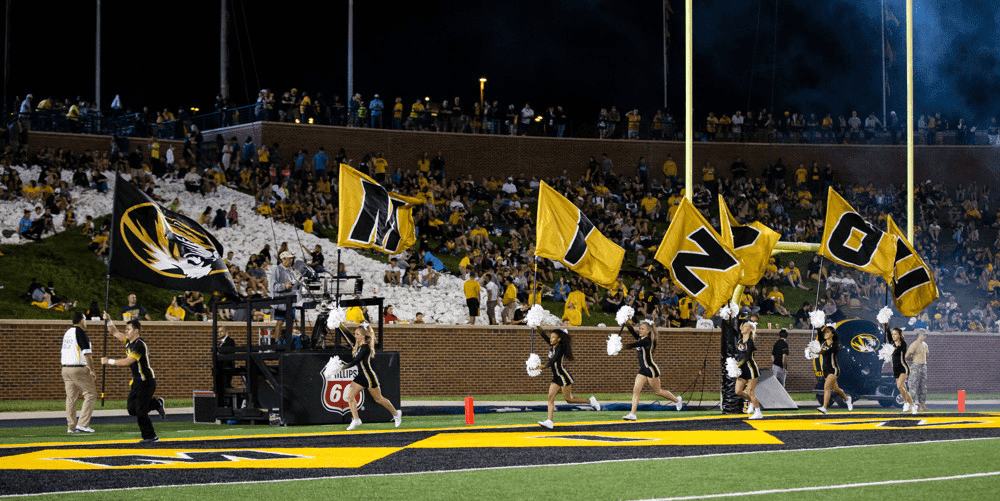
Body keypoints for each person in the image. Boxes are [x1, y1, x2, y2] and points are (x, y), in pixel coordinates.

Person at [100, 312, 166, 443]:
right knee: (131, 409)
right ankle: (156, 403)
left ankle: (150, 436)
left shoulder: (139, 345)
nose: (126, 332)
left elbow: (127, 362)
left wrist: (109, 361)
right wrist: (108, 319)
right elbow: (114, 332)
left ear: (136, 331)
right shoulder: (129, 342)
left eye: (128, 330)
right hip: (136, 382)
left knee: (141, 411)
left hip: (146, 382)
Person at [340, 324, 402, 431]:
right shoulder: (357, 343)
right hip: (360, 377)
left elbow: (355, 361)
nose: (355, 336)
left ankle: (396, 414)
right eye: (355, 334)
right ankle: (356, 420)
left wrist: (341, 367)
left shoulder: (365, 348)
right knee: (349, 397)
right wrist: (339, 323)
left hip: (368, 377)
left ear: (363, 336)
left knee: (379, 399)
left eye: (358, 334)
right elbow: (348, 334)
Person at [536, 327, 601, 429]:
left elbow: (553, 360)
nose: (551, 339)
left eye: (553, 337)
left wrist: (542, 366)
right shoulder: (553, 345)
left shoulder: (560, 348)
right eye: (551, 337)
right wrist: (538, 327)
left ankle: (591, 401)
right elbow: (544, 336)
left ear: (559, 339)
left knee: (569, 399)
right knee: (550, 398)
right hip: (556, 377)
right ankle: (549, 421)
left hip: (563, 377)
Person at [622, 319, 682, 420]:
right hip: (642, 370)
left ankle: (677, 400)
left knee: (658, 391)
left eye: (642, 329)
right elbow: (632, 331)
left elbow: (634, 345)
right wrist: (626, 322)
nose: (640, 330)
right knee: (636, 391)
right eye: (639, 328)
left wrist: (623, 347)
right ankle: (633, 414)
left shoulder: (647, 340)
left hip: (651, 369)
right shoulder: (640, 338)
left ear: (648, 331)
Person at [61, 312, 97, 434]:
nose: (86, 322)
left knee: (71, 398)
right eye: (85, 319)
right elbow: (87, 353)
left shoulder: (67, 333)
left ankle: (70, 426)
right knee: (90, 394)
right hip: (78, 369)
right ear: (81, 320)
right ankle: (82, 424)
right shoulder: (80, 332)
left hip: (65, 369)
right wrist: (92, 370)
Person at [815, 325, 852, 414]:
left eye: (828, 332)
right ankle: (847, 399)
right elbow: (819, 335)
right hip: (825, 370)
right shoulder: (824, 343)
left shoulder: (835, 344)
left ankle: (824, 408)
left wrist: (819, 352)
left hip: (833, 369)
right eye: (825, 332)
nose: (826, 333)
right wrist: (818, 326)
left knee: (826, 387)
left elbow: (828, 351)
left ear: (832, 334)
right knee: (835, 389)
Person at [735, 321, 764, 419]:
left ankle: (758, 412)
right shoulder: (739, 341)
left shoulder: (750, 342)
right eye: (742, 326)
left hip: (751, 369)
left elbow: (747, 357)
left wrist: (737, 365)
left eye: (745, 326)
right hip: (742, 370)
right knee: (738, 391)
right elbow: (739, 355)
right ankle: (751, 401)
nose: (742, 327)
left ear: (750, 329)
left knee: (750, 391)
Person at [887, 325, 917, 415]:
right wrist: (886, 322)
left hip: (903, 367)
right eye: (893, 334)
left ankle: (906, 403)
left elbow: (899, 349)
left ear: (899, 335)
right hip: (895, 369)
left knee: (899, 386)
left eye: (895, 334)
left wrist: (891, 349)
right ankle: (913, 405)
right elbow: (887, 333)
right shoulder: (892, 343)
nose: (893, 336)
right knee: (903, 388)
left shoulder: (903, 343)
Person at [272, 251, 300, 341]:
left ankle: (288, 342)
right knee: (280, 322)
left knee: (290, 322)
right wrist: (284, 286)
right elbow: (273, 286)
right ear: (283, 259)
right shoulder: (277, 270)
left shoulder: (291, 271)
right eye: (289, 258)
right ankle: (277, 342)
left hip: (291, 302)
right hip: (281, 302)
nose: (291, 260)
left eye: (291, 258)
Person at [906, 330, 930, 412]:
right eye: (924, 335)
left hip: (923, 366)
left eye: (925, 335)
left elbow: (927, 354)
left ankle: (922, 406)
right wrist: (913, 359)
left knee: (923, 387)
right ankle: (911, 406)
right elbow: (907, 355)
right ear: (919, 335)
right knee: (913, 387)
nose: (925, 336)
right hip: (916, 366)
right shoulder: (914, 344)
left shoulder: (925, 345)